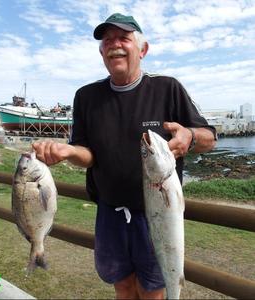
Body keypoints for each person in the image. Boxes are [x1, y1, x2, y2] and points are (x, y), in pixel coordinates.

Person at [33, 13, 216, 299]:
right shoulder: (86, 96)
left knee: (152, 290)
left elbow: (210, 138)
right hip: (109, 212)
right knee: (122, 285)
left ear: (142, 50)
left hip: (156, 214)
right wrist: (68, 151)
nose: (114, 44)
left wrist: (190, 137)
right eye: (107, 40)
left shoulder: (167, 88)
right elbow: (88, 154)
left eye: (123, 38)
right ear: (101, 52)